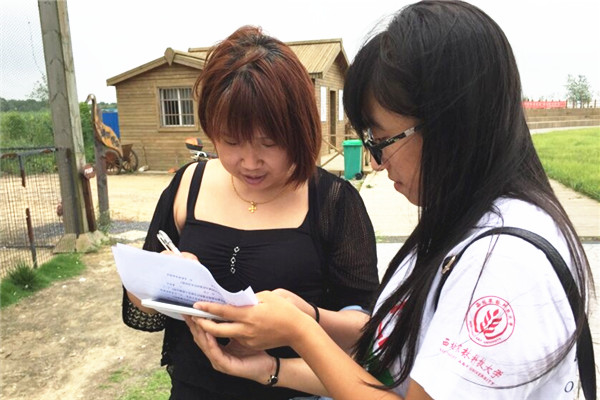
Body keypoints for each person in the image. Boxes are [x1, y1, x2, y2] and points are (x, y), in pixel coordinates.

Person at [185, 1, 595, 399]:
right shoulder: (461, 226)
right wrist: (278, 356)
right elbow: (387, 367)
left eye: (382, 140)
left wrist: (300, 331)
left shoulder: (506, 266)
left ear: (450, 126)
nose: (377, 163)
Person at [121, 26, 380, 399]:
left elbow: (365, 331)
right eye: (231, 141)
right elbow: (142, 300)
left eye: (269, 143)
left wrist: (305, 318)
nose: (250, 162)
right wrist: (162, 277)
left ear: (300, 130)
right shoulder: (188, 184)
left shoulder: (334, 202)